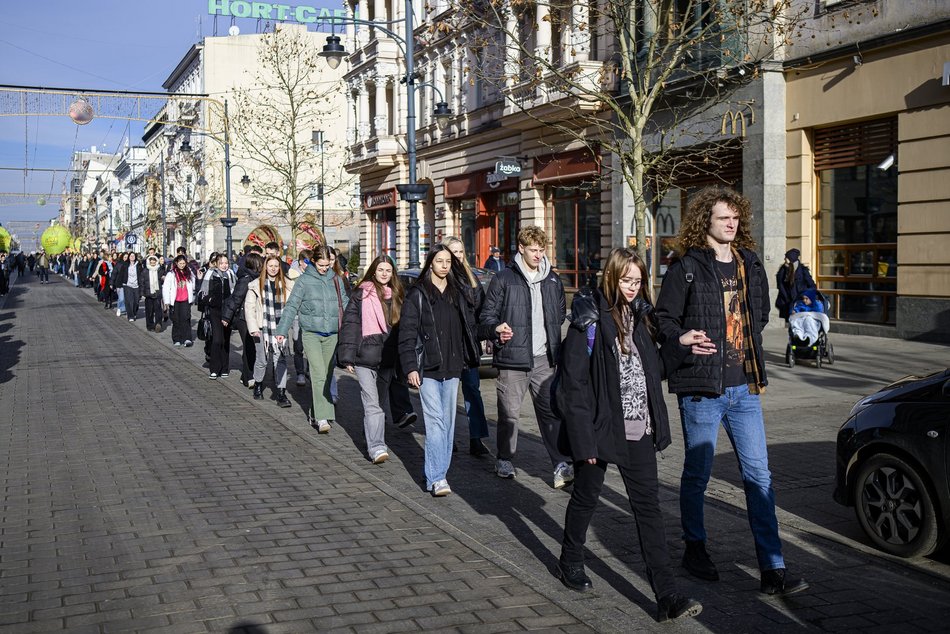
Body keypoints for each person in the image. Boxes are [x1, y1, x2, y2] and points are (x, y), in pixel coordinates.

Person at [654, 186, 808, 596]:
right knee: (698, 474)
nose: (731, 223)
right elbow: (662, 319)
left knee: (759, 475)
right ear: (705, 220)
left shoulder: (750, 263)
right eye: (724, 217)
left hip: (744, 387)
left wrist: (739, 345)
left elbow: (759, 313)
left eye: (735, 216)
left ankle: (773, 568)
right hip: (702, 388)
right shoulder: (685, 266)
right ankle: (695, 547)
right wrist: (684, 337)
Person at [555, 248, 702, 622]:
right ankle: (570, 558)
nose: (633, 288)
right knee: (586, 497)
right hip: (600, 428)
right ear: (612, 277)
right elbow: (573, 386)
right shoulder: (589, 318)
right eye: (626, 280)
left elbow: (656, 372)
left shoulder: (642, 318)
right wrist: (583, 442)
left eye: (638, 281)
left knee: (649, 510)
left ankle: (667, 594)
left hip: (639, 430)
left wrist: (680, 345)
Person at [480, 226, 572, 488]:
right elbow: (486, 318)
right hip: (512, 361)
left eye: (542, 250)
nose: (538, 255)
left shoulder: (553, 281)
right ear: (521, 248)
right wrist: (496, 330)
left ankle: (561, 464)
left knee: (552, 413)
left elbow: (559, 315)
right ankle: (505, 459)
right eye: (533, 250)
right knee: (509, 414)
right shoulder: (504, 279)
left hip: (544, 359)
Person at [398, 245, 480, 496]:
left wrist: (494, 333)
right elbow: (407, 334)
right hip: (428, 369)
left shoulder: (459, 293)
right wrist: (410, 367)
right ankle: (437, 477)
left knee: (448, 423)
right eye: (440, 260)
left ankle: (435, 471)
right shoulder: (418, 293)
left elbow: (473, 325)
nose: (445, 265)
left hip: (453, 366)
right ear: (430, 263)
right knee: (435, 423)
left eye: (448, 261)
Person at [338, 255, 406, 464]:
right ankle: (376, 447)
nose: (384, 274)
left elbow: (405, 328)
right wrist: (347, 357)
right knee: (372, 403)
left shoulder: (398, 295)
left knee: (380, 402)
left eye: (388, 270)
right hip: (364, 356)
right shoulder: (362, 293)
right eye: (380, 270)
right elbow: (350, 324)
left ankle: (373, 431)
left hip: (387, 356)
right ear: (373, 271)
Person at [275, 245, 347, 433]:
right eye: (321, 264)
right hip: (311, 334)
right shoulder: (304, 281)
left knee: (328, 374)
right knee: (318, 374)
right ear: (313, 261)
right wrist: (282, 330)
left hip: (332, 335)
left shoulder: (337, 280)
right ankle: (323, 417)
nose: (325, 268)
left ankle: (315, 412)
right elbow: (291, 306)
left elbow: (345, 306)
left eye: (328, 264)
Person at [443, 236, 490, 456]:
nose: (458, 256)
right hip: (448, 347)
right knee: (448, 395)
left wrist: (486, 335)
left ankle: (477, 438)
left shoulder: (472, 280)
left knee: (472, 390)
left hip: (469, 346)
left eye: (461, 252)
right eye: (453, 252)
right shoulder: (441, 279)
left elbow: (482, 312)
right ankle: (447, 437)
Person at [246, 254, 295, 407]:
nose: (273, 268)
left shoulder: (287, 284)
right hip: (262, 328)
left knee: (280, 360)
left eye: (276, 266)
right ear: (265, 267)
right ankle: (258, 385)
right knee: (262, 360)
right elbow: (250, 308)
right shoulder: (255, 285)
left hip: (281, 327)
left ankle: (281, 393)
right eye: (270, 265)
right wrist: (253, 328)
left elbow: (293, 304)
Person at [222, 253, 263, 388]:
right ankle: (248, 377)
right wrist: (227, 317)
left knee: (253, 347)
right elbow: (236, 298)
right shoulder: (246, 279)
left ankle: (246, 374)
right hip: (243, 318)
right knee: (249, 346)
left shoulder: (259, 278)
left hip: (256, 316)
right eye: (259, 263)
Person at [198, 253, 237, 379]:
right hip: (214, 311)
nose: (224, 265)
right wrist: (210, 300)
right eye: (221, 263)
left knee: (226, 340)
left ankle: (225, 368)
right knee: (217, 340)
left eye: (226, 263)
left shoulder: (231, 275)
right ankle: (214, 368)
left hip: (228, 312)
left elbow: (235, 292)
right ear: (217, 263)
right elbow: (203, 292)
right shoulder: (211, 274)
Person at [162, 255, 195, 347]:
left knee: (186, 319)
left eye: (184, 263)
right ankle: (177, 339)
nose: (182, 265)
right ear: (176, 263)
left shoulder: (189, 272)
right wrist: (167, 301)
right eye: (180, 263)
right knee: (176, 320)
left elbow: (193, 284)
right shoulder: (171, 274)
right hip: (175, 300)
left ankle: (187, 338)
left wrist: (192, 296)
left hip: (185, 299)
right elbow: (166, 288)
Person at [774, 248, 816, 321]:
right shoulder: (783, 270)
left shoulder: (803, 271)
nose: (784, 259)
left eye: (786, 258)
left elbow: (812, 285)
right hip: (788, 302)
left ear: (791, 259)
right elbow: (780, 285)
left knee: (800, 323)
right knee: (792, 324)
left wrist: (807, 297)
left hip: (800, 302)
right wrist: (785, 298)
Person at [115, 252, 143, 322]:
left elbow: (142, 275)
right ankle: (130, 316)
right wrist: (118, 285)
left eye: (133, 256)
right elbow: (121, 275)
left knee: (136, 301)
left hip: (136, 285)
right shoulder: (125, 265)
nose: (132, 257)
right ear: (129, 257)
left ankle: (134, 313)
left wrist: (142, 285)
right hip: (127, 285)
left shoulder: (138, 265)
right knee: (129, 301)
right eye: (131, 256)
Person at [140, 254, 165, 332]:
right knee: (149, 311)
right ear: (149, 261)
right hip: (148, 293)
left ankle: (158, 324)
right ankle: (150, 325)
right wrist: (142, 293)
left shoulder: (159, 269)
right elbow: (142, 282)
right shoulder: (145, 270)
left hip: (157, 293)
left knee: (158, 310)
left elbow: (163, 278)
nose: (153, 262)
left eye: (154, 260)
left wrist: (163, 278)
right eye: (151, 260)